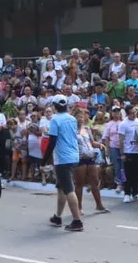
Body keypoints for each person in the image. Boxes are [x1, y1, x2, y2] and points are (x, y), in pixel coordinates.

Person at [43, 97, 82, 231]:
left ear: (54, 106)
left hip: (63, 158)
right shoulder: (72, 119)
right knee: (61, 188)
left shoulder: (55, 120)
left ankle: (77, 221)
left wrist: (44, 160)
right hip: (73, 155)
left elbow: (52, 141)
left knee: (69, 190)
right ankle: (58, 217)